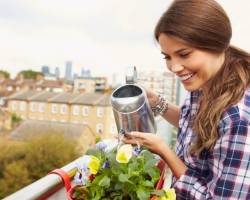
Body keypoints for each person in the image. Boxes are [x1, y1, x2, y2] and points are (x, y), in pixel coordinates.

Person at [122, 0, 250, 199]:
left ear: (217, 45)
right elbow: (198, 124)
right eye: (167, 57)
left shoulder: (240, 118)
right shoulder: (207, 81)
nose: (174, 68)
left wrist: (165, 150)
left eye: (184, 54)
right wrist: (157, 102)